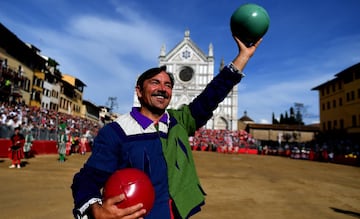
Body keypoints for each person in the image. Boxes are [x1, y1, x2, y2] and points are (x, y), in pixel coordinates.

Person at [71, 36, 261, 219]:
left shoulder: (178, 122)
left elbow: (211, 96)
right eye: (155, 82)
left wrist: (243, 57)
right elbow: (87, 178)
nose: (162, 88)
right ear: (139, 91)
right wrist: (95, 210)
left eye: (168, 85)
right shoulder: (116, 131)